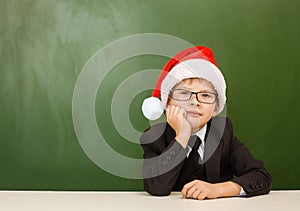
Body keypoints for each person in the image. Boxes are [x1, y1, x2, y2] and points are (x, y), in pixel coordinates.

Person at [140, 46, 272, 200]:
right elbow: (157, 187)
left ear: (216, 107)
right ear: (167, 102)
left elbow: (261, 176)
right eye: (184, 93)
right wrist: (182, 135)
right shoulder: (154, 137)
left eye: (205, 95)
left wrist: (219, 189)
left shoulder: (223, 132)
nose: (195, 102)